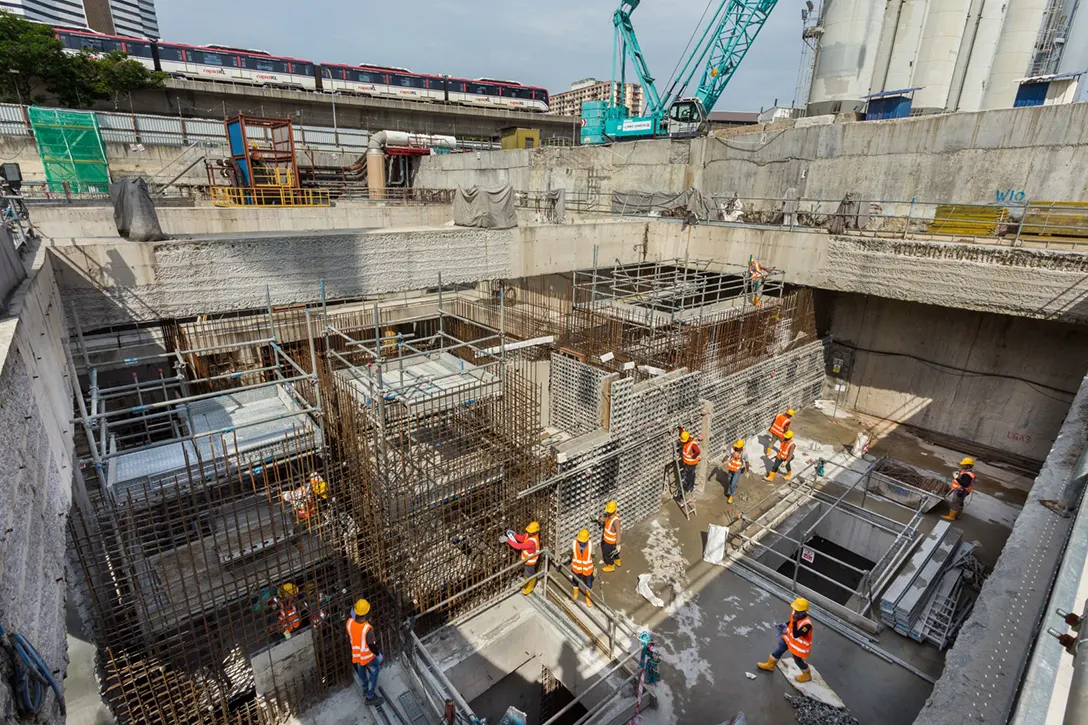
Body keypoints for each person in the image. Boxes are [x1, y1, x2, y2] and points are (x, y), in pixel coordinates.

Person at [756, 598, 813, 682]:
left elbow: (796, 634)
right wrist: (785, 624)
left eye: (797, 611)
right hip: (788, 639)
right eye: (795, 609)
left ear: (804, 611)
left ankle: (807, 675)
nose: (795, 612)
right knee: (779, 649)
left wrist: (794, 622)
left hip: (797, 646)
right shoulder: (795, 613)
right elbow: (791, 621)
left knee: (798, 661)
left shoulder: (807, 625)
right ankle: (770, 665)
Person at [346, 598, 384, 706]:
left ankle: (365, 690)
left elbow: (350, 634)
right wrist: (378, 654)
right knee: (374, 673)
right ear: (367, 612)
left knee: (362, 673)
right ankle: (370, 697)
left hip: (357, 655)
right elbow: (372, 646)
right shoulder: (367, 629)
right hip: (369, 658)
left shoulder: (349, 623)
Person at [502, 521, 541, 595]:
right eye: (528, 531)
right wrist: (514, 534)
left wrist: (508, 540)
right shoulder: (528, 535)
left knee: (530, 574)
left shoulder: (532, 542)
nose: (528, 532)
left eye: (530, 532)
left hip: (530, 562)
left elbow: (519, 546)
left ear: (535, 532)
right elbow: (521, 538)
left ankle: (530, 587)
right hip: (526, 560)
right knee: (527, 572)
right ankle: (527, 582)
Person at [571, 528, 594, 607]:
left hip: (587, 569)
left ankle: (588, 597)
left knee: (589, 583)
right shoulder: (574, 544)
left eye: (583, 542)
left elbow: (593, 554)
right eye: (581, 542)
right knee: (575, 581)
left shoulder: (590, 545)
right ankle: (575, 595)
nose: (582, 543)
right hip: (576, 568)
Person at [721, 439, 748, 504]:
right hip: (731, 468)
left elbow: (747, 462)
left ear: (741, 447)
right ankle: (733, 486)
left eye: (738, 447)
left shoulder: (744, 453)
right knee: (729, 480)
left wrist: (748, 471)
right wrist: (722, 462)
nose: (736, 448)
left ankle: (731, 495)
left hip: (738, 470)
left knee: (732, 483)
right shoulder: (732, 450)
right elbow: (727, 456)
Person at [598, 501, 621, 572]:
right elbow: (606, 520)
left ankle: (611, 565)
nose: (608, 513)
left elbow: (618, 532)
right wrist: (598, 518)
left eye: (609, 511)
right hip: (609, 540)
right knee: (614, 552)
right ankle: (617, 560)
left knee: (607, 554)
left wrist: (618, 544)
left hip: (610, 541)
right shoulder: (610, 516)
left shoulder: (615, 521)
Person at [679, 428, 701, 495]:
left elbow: (698, 451)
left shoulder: (692, 444)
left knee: (688, 476)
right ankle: (691, 487)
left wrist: (693, 457)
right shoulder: (688, 437)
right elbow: (684, 434)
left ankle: (686, 488)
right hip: (688, 462)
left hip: (690, 463)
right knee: (692, 474)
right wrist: (681, 429)